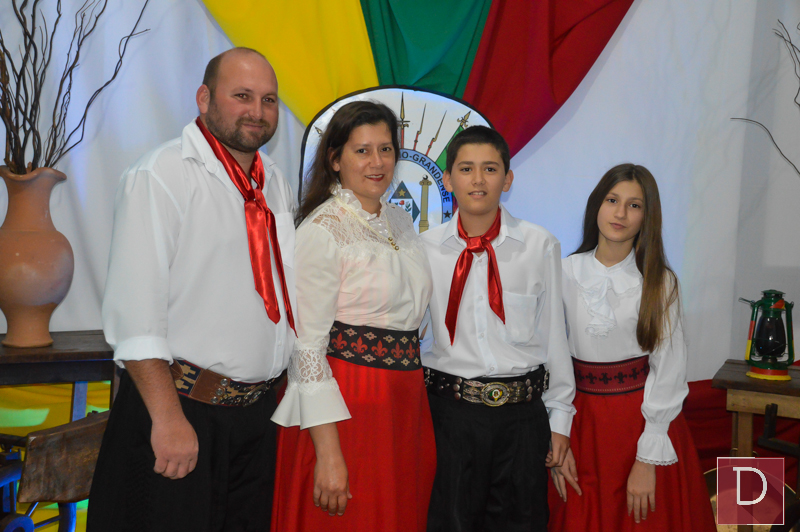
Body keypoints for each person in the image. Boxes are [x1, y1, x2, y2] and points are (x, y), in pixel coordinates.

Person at [87, 48, 296, 532]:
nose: (257, 111)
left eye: (268, 100)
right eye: (242, 96)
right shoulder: (160, 175)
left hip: (256, 420)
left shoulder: (274, 182)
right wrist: (167, 420)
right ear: (204, 98)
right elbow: (136, 317)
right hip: (181, 412)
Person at [270, 100, 435, 531]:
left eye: (386, 149)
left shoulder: (400, 222)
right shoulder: (321, 230)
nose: (377, 162)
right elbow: (306, 349)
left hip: (405, 402)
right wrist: (328, 453)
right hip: (347, 406)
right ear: (335, 159)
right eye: (362, 151)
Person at [419, 125, 576, 532]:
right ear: (447, 179)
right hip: (450, 417)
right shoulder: (425, 249)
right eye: (466, 169)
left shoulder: (539, 245)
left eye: (490, 169)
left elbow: (554, 337)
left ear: (507, 180)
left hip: (522, 419)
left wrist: (560, 419)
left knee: (522, 522)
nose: (478, 179)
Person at [548, 163, 716, 531]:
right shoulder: (563, 273)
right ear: (597, 205)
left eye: (634, 205)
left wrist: (647, 458)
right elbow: (549, 361)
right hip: (582, 425)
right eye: (612, 200)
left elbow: (669, 368)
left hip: (643, 424)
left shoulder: (660, 282)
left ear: (646, 217)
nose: (620, 213)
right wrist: (557, 438)